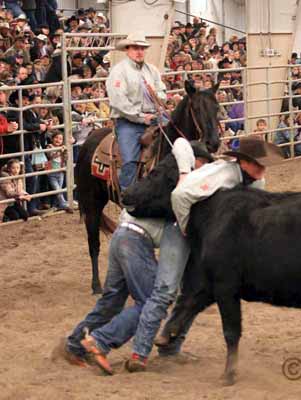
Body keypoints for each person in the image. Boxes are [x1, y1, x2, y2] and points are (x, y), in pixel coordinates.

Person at [59, 140, 209, 375]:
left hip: (123, 233)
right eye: (202, 165)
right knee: (150, 301)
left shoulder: (165, 181)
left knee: (112, 300)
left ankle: (74, 345)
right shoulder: (184, 188)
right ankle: (99, 341)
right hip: (134, 241)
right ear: (194, 162)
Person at [150, 137, 285, 358]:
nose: (262, 167)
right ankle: (149, 345)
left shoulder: (257, 182)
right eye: (257, 162)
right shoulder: (222, 175)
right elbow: (180, 195)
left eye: (263, 163)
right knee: (169, 286)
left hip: (212, 237)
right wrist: (188, 229)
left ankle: (169, 342)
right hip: (185, 227)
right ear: (242, 162)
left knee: (196, 285)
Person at [106, 32, 167, 190]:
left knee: (179, 139)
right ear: (127, 49)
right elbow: (119, 101)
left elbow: (162, 91)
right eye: (135, 48)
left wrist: (158, 102)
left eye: (142, 48)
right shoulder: (119, 71)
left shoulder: (152, 70)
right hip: (128, 122)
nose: (139, 51)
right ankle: (128, 195)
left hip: (154, 117)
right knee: (130, 160)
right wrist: (141, 117)